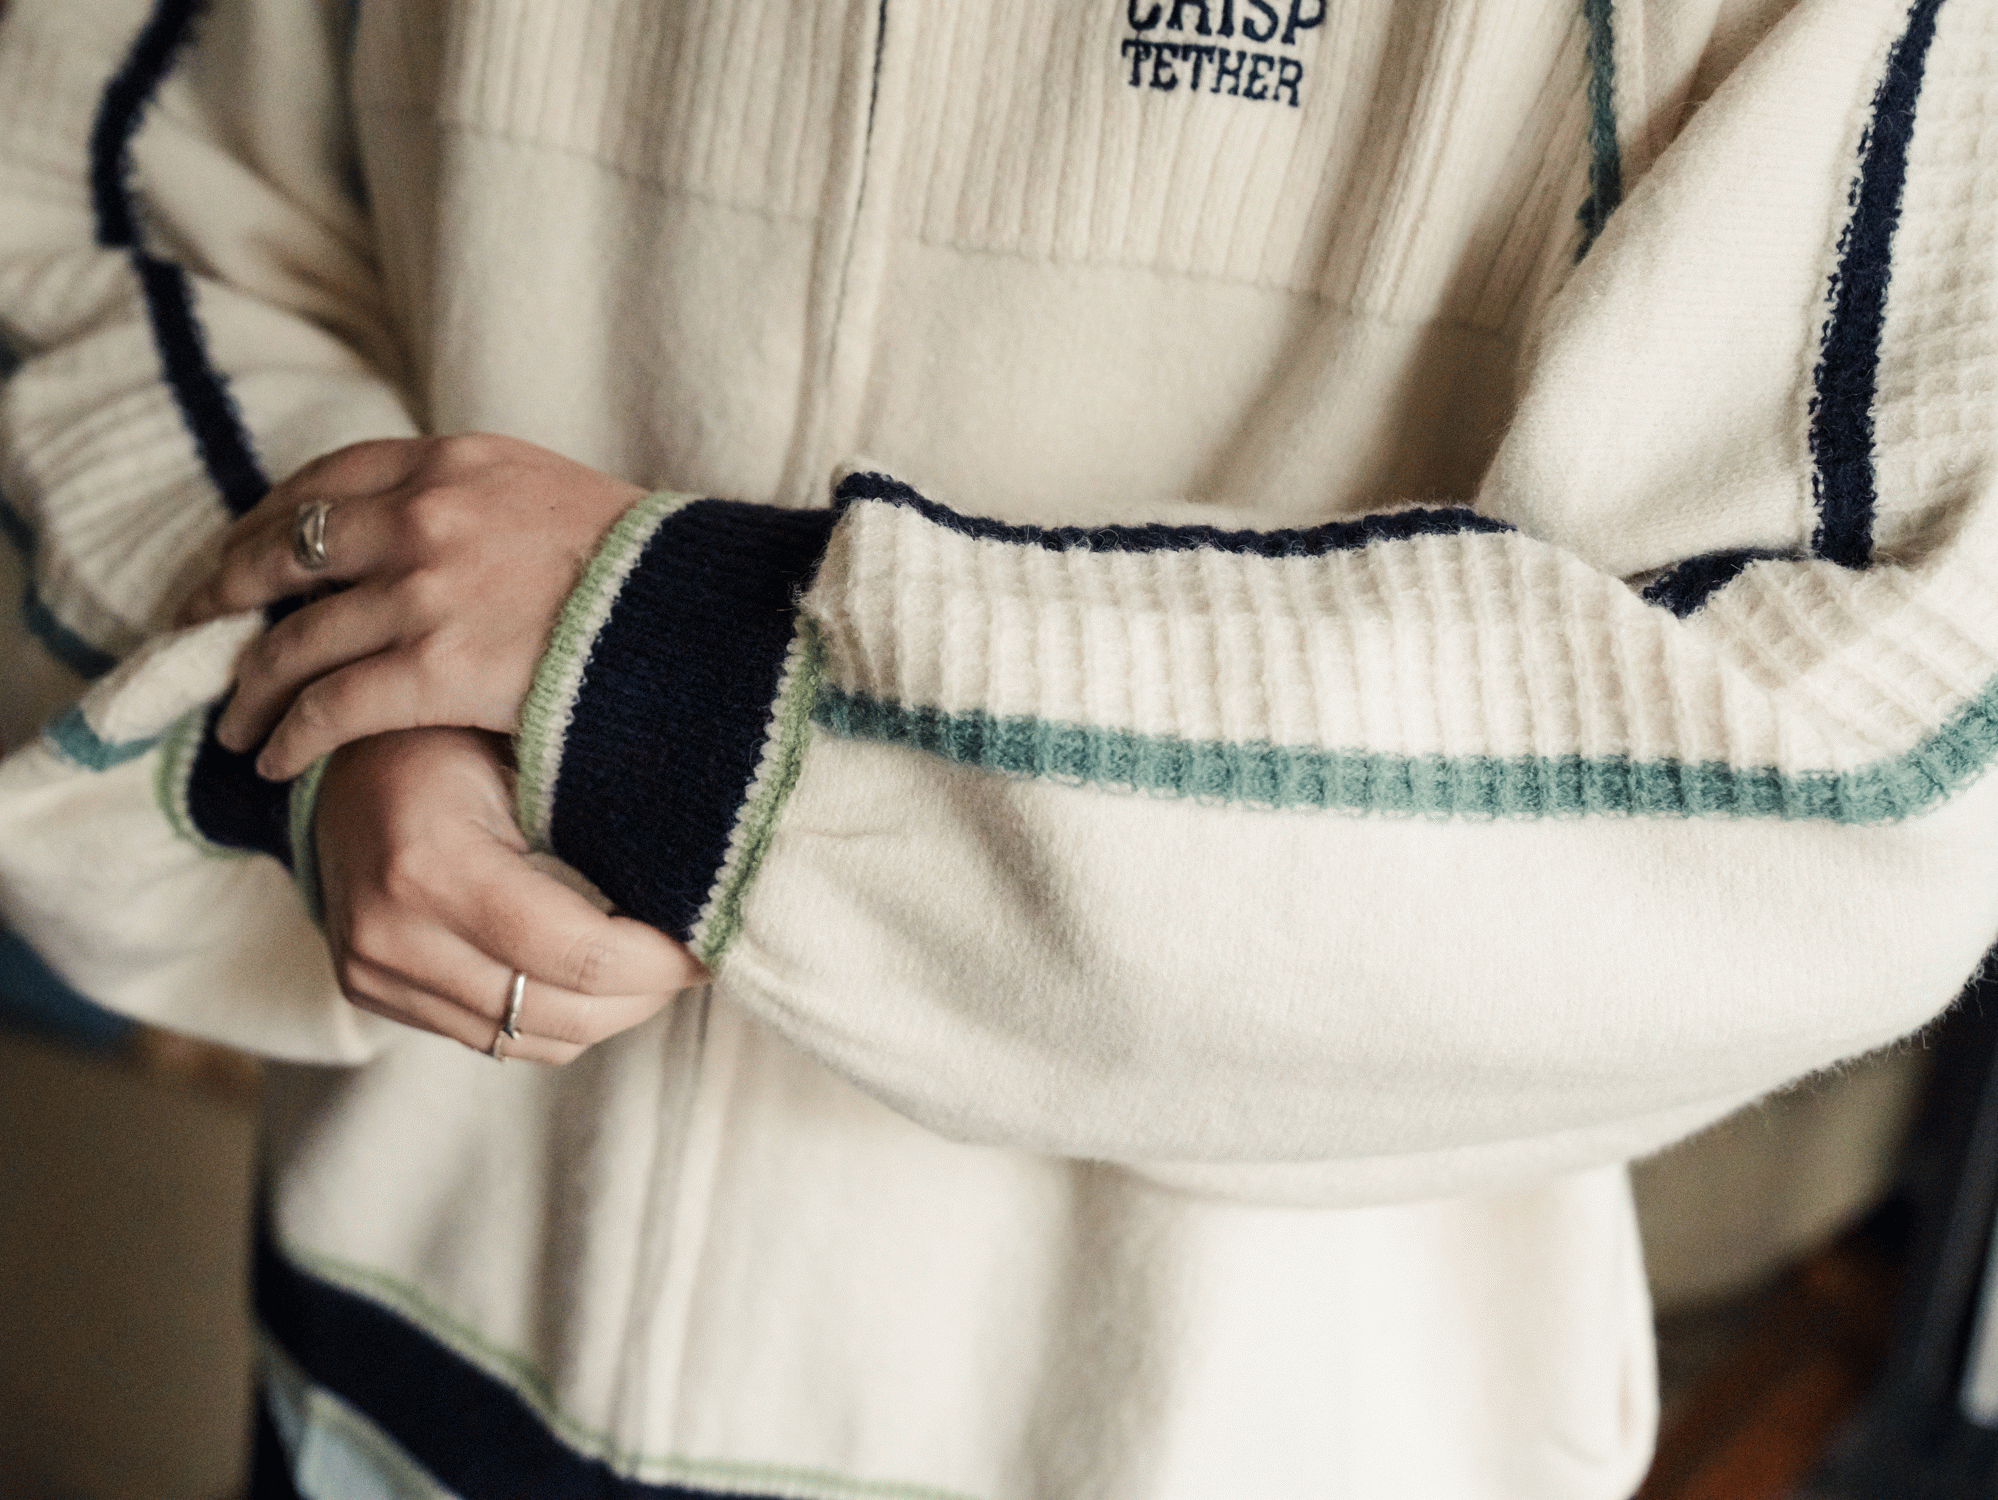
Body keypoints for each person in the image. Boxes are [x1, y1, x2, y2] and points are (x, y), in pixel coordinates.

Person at [2, 0, 1994, 1495]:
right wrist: (340, 695)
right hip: (389, 1392)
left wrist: (697, 689)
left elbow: (1858, 750)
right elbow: (90, 197)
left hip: (1214, 1445)